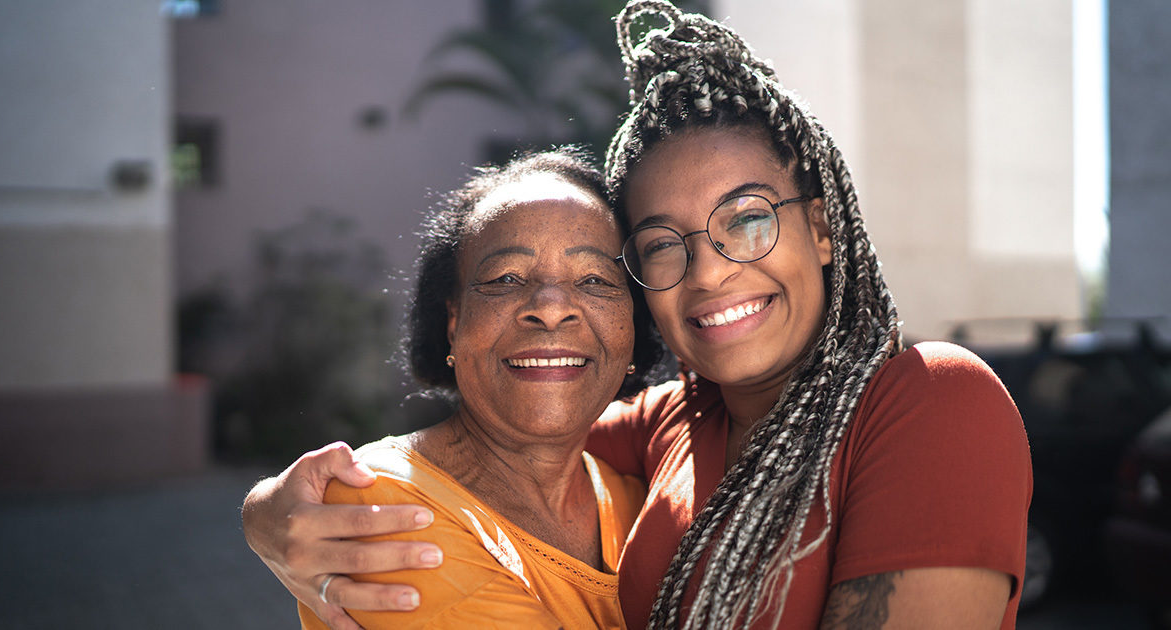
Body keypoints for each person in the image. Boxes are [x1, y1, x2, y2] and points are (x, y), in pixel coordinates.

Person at [243, 2, 1032, 628]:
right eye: (662, 244)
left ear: (823, 230)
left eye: (747, 218)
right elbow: (517, 425)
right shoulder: (677, 424)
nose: (711, 270)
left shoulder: (930, 403)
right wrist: (277, 509)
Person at [289, 148, 664, 628]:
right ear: (453, 322)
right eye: (505, 278)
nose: (550, 308)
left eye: (595, 279)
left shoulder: (647, 502)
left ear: (633, 325)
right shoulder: (382, 503)